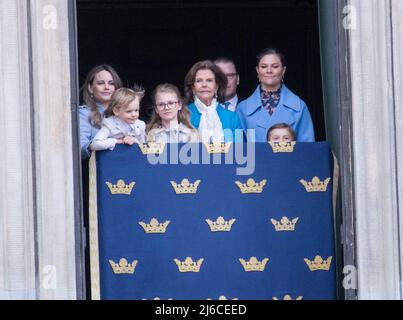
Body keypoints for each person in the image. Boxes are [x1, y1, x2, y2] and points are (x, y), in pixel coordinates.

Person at [237, 48, 315, 142]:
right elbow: (239, 150)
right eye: (263, 66)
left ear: (283, 70)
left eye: (275, 66)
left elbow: (307, 148)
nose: (269, 70)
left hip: (290, 157)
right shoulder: (242, 109)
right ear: (257, 70)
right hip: (256, 157)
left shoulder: (299, 107)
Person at [184, 60, 243, 143]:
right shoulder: (183, 115)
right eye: (199, 81)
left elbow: (240, 152)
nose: (204, 85)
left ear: (216, 86)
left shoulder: (232, 118)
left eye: (209, 80)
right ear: (193, 87)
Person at [79, 64, 123, 159]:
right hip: (98, 170)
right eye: (100, 83)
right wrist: (99, 145)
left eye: (111, 83)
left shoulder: (126, 112)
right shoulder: (84, 113)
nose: (106, 87)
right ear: (90, 88)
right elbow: (80, 149)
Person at [90, 87, 146, 151]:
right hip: (114, 159)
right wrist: (116, 141)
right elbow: (95, 144)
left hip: (132, 159)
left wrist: (134, 140)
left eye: (136, 110)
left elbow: (144, 147)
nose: (134, 114)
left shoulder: (140, 125)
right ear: (116, 111)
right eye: (129, 111)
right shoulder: (110, 125)